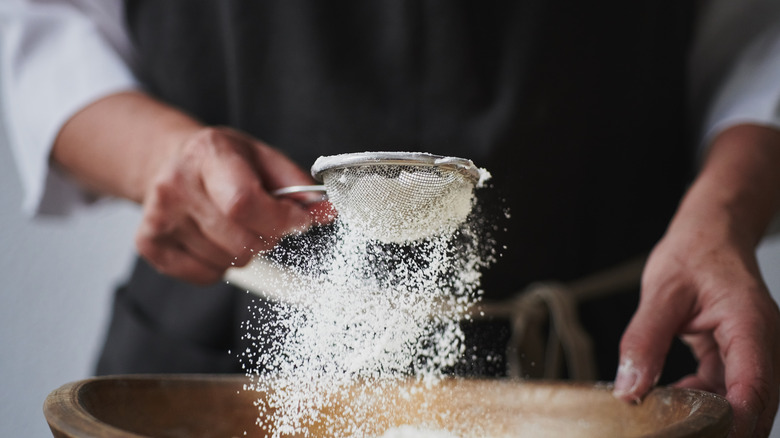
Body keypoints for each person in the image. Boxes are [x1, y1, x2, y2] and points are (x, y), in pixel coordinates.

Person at [2, 1, 780, 436]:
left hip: (589, 382)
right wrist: (158, 158)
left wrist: (723, 214)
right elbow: (45, 27)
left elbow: (758, 35)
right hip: (224, 363)